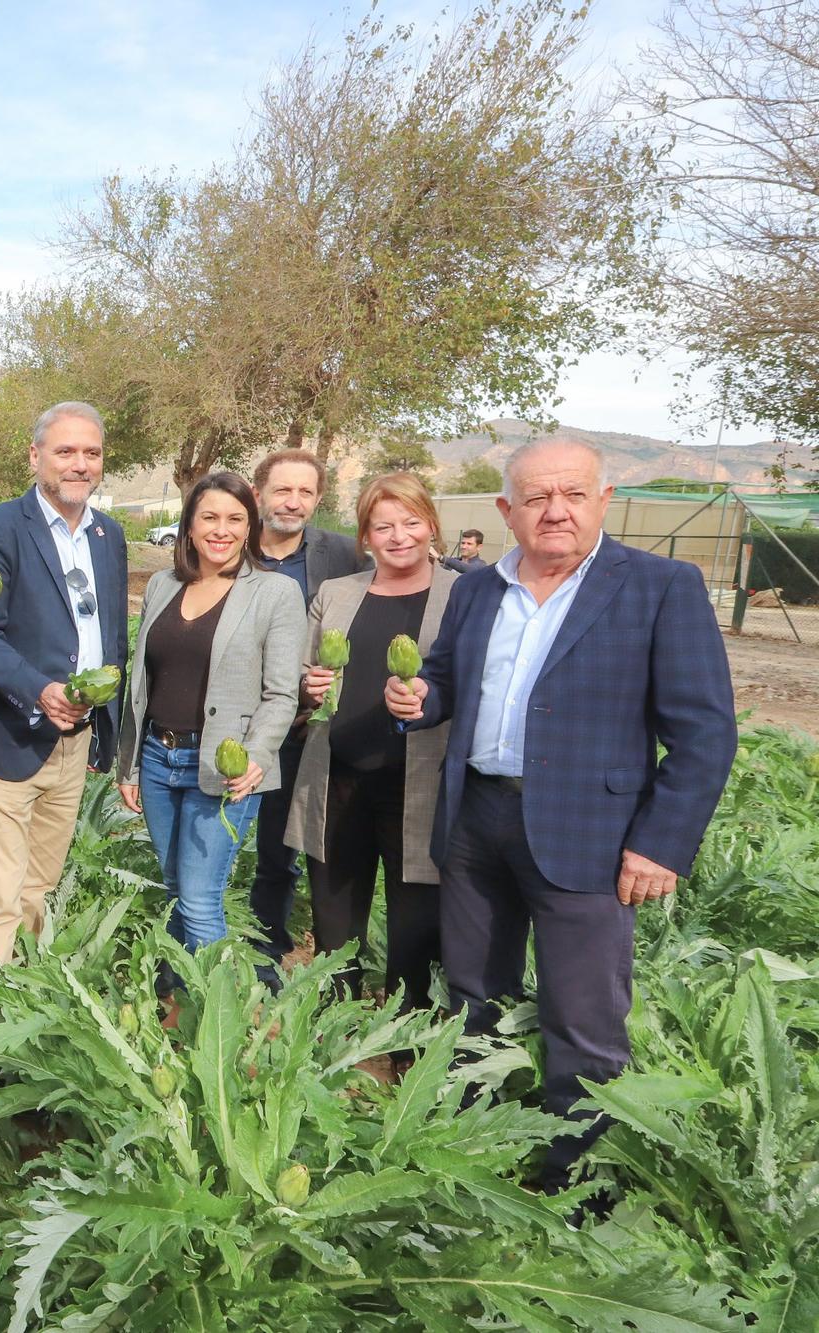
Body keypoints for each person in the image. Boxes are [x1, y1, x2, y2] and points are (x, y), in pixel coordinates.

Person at [386, 438, 736, 1188]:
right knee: (474, 993)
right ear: (507, 509)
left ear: (603, 501)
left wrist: (660, 843)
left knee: (582, 1020)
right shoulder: (478, 589)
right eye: (538, 498)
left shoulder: (659, 586)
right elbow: (447, 679)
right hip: (478, 819)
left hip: (593, 835)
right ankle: (474, 1142)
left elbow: (704, 734)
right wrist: (422, 700)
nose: (556, 511)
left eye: (573, 494)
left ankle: (573, 1180)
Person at [0, 402, 128, 975]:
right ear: (36, 457)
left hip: (74, 742)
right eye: (65, 451)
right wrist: (39, 691)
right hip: (8, 734)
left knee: (40, 882)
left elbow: (112, 636)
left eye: (91, 453)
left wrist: (105, 734)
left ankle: (21, 991)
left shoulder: (109, 535)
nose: (80, 465)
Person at [285, 474, 456, 1020]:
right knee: (335, 910)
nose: (398, 536)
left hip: (421, 780)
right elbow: (301, 675)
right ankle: (335, 1020)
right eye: (383, 526)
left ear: (431, 526)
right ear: (365, 537)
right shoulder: (336, 595)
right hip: (336, 775)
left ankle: (405, 1026)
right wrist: (306, 689)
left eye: (410, 522)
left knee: (415, 917)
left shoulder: (463, 594)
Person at [117, 473, 303, 952]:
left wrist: (258, 754)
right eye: (210, 517)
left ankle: (218, 1016)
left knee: (200, 899)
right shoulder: (162, 584)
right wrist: (131, 763)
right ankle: (179, 997)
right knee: (178, 889)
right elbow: (143, 681)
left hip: (226, 766)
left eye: (235, 519)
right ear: (190, 526)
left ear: (250, 527)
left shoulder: (274, 592)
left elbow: (282, 693)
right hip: (160, 759)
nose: (222, 530)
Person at [248, 450, 365, 977]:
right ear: (258, 495)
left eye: (305, 493)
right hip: (231, 725)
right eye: (282, 490)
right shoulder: (231, 546)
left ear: (317, 500)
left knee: (279, 847)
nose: (293, 502)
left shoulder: (344, 555)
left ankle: (265, 949)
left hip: (300, 728)